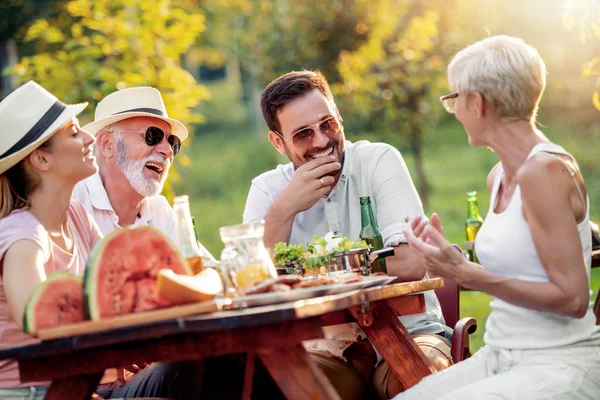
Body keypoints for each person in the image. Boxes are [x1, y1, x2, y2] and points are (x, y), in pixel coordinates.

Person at [396, 35, 600, 399]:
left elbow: (573, 299)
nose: (453, 110)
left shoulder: (545, 172)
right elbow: (517, 270)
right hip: (500, 355)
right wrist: (449, 259)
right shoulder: (498, 177)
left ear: (477, 103)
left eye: (453, 98)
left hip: (557, 363)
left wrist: (469, 274)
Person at [243, 70, 451, 400]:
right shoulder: (268, 191)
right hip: (325, 348)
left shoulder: (378, 160)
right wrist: (284, 210)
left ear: (338, 115)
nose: (322, 141)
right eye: (303, 135)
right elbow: (251, 282)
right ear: (278, 142)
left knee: (424, 378)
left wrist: (322, 268)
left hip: (411, 333)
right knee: (274, 386)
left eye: (328, 124)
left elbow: (411, 262)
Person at [0, 81, 102, 399]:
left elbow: (117, 296)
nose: (90, 137)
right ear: (41, 160)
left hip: (81, 384)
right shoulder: (22, 237)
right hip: (34, 392)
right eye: (74, 133)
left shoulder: (78, 217)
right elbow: (38, 320)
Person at [73, 86, 215, 260]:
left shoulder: (160, 211)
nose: (168, 151)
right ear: (107, 144)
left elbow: (208, 271)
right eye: (152, 136)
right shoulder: (72, 204)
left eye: (172, 142)